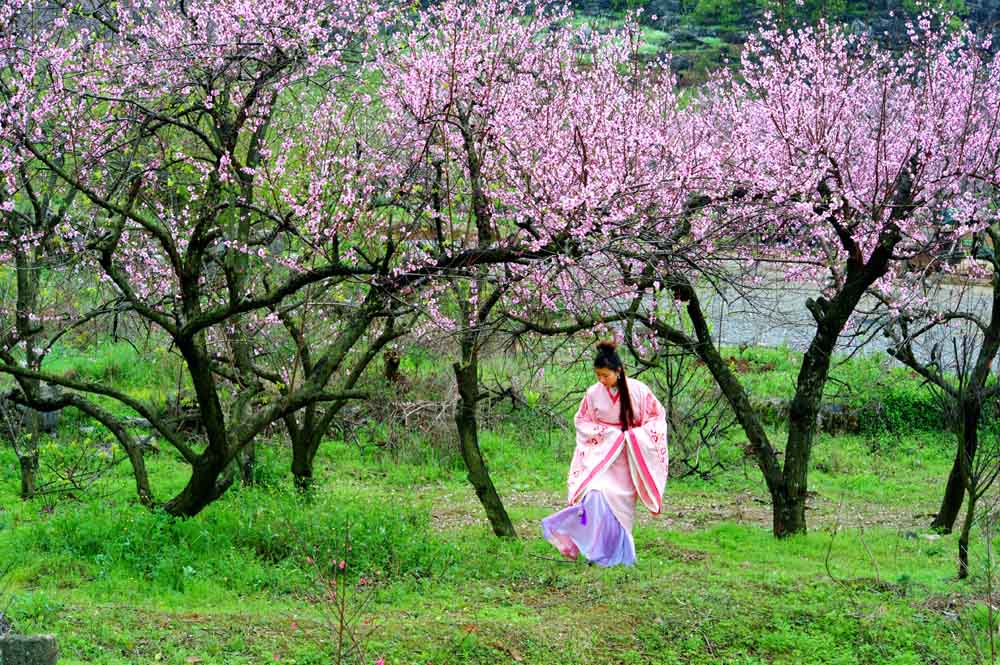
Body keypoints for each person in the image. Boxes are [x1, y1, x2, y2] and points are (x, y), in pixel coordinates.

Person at [542, 340, 668, 566]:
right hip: (602, 459)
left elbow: (656, 420)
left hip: (629, 459)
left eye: (605, 375)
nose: (601, 380)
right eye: (598, 375)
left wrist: (631, 436)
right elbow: (582, 421)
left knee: (619, 506)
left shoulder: (639, 391)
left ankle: (617, 555)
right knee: (594, 495)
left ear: (618, 371)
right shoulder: (592, 394)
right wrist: (609, 436)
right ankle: (591, 548)